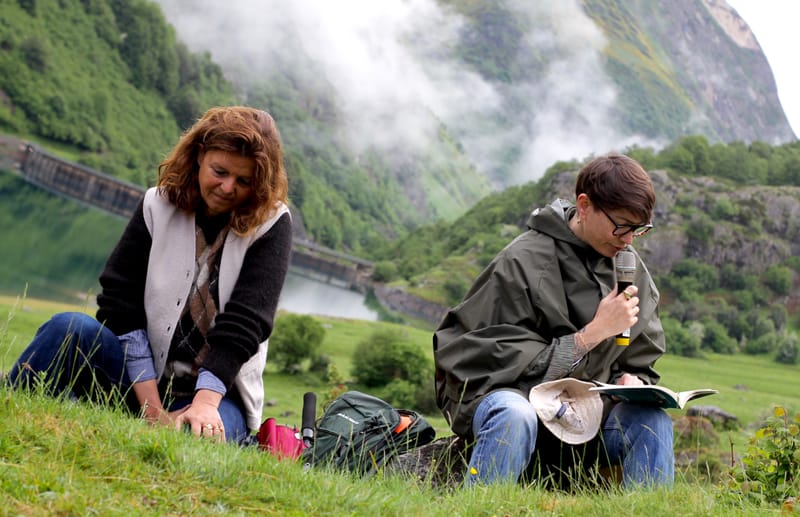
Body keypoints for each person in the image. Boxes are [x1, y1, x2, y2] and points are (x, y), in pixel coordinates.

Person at [8, 106, 292, 444]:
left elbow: (246, 324)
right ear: (200, 155)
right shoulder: (156, 205)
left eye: (243, 181)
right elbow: (120, 305)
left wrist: (203, 405)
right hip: (138, 381)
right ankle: (11, 420)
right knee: (66, 329)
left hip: (217, 398)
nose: (228, 187)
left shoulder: (272, 224)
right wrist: (153, 412)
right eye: (220, 171)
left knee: (195, 439)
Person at [433, 153, 674, 488]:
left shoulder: (630, 269)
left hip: (590, 419)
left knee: (652, 421)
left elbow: (641, 360)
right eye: (621, 224)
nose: (628, 239)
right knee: (512, 414)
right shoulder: (523, 260)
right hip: (518, 411)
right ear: (585, 204)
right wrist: (592, 334)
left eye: (638, 229)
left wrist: (633, 382)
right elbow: (487, 360)